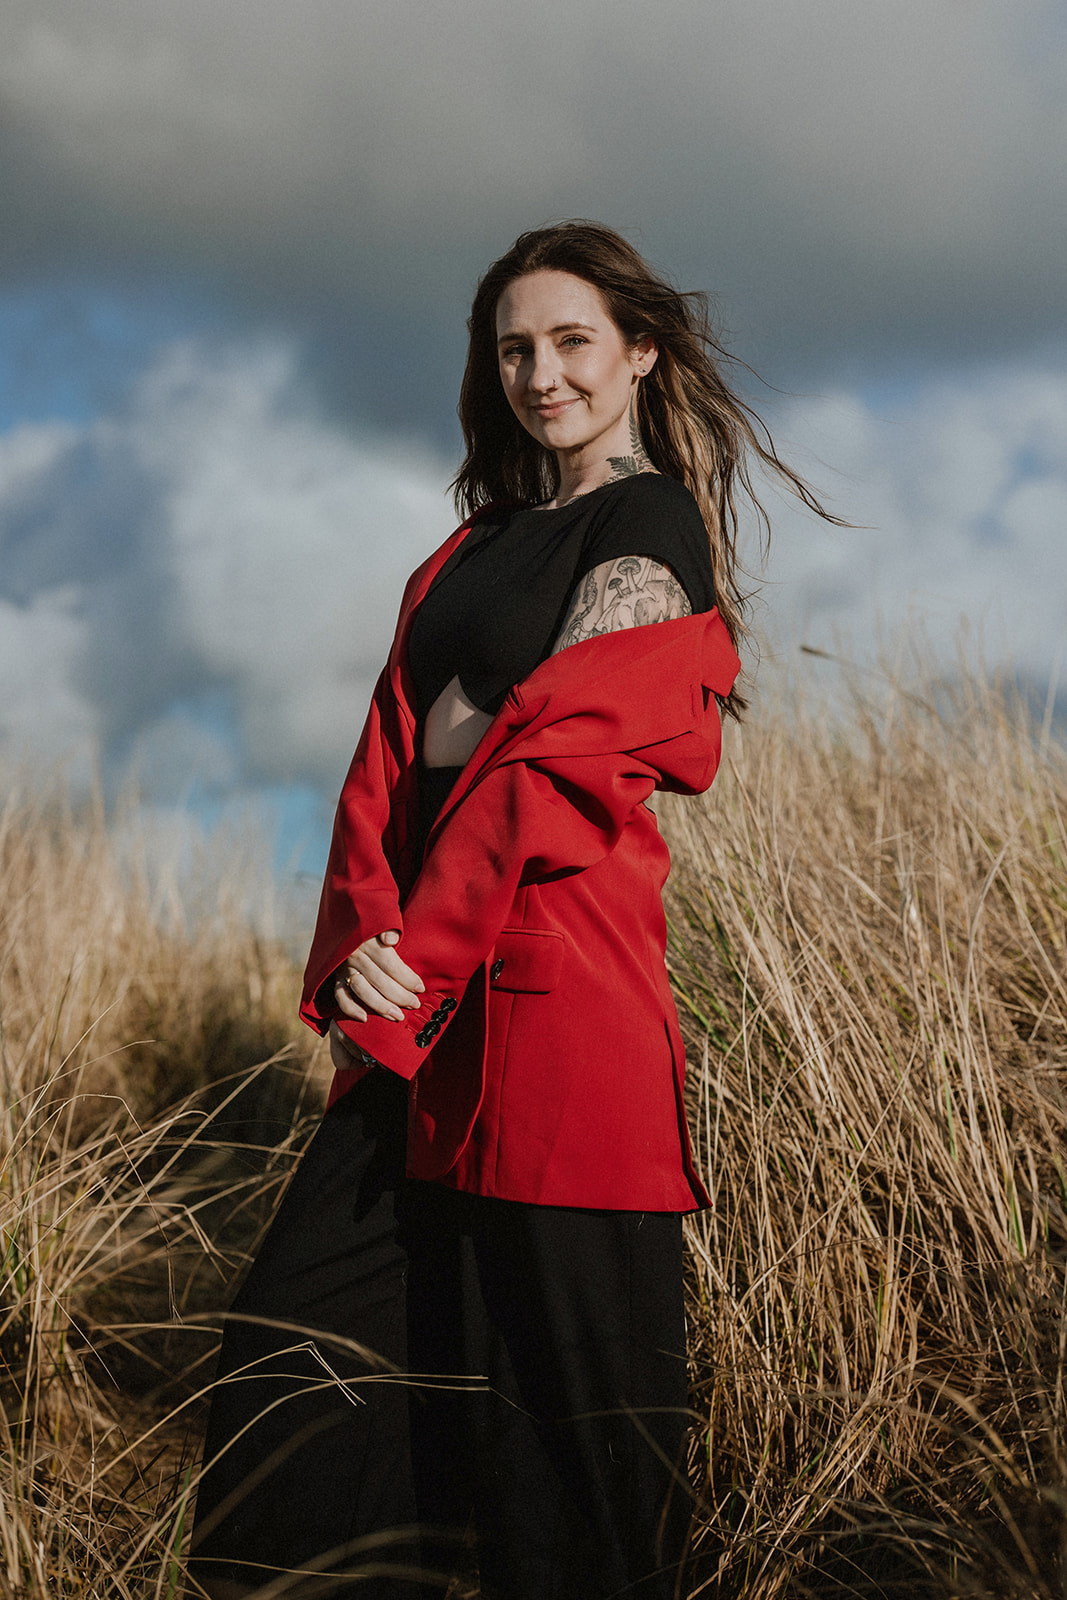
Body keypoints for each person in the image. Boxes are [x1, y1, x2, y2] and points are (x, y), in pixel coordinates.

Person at [188, 221, 833, 1600]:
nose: (543, 373)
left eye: (573, 342)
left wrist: (407, 965)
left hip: (558, 996)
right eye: (516, 348)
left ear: (640, 352)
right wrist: (362, 941)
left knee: (576, 1430)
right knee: (294, 1355)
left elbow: (557, 763)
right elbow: (386, 757)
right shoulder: (468, 549)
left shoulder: (649, 524)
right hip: (421, 1008)